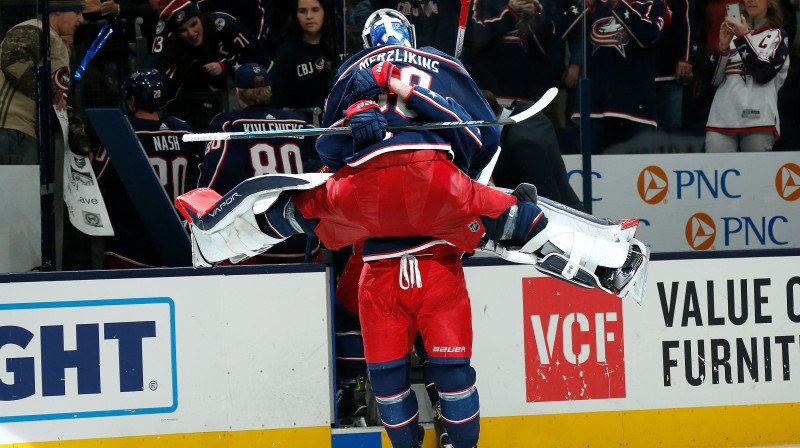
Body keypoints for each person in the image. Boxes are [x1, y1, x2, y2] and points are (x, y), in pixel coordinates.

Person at [177, 9, 648, 448]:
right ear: (410, 37)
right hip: (436, 199)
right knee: (507, 220)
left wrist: (361, 125)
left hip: (367, 210)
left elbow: (329, 154)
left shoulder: (349, 69)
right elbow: (483, 144)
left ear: (368, 41)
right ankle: (610, 258)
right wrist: (465, 183)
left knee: (303, 214)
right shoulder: (443, 63)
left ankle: (215, 237)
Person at [198, 62, 321, 263]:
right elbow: (321, 170)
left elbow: (216, 177)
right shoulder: (300, 123)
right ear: (269, 89)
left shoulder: (229, 124)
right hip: (300, 236)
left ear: (238, 92)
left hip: (252, 239)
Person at [93, 68, 199, 268]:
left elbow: (95, 178)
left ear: (133, 99)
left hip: (130, 243)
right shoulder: (182, 130)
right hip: (175, 237)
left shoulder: (123, 132)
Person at [562, 0, 666, 154]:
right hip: (594, 107)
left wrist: (617, 3)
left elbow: (648, 36)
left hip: (637, 108)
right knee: (594, 174)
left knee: (639, 172)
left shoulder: (652, 4)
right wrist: (587, 5)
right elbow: (562, 32)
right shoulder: (590, 3)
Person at [152, 0, 270, 129]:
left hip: (255, 86)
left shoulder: (224, 25)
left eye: (194, 24)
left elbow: (261, 59)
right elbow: (170, 79)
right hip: (209, 95)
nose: (192, 33)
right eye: (183, 30)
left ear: (201, 19)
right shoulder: (178, 47)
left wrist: (225, 66)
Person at [0, 0, 92, 165]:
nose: (81, 20)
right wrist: (51, 92)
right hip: (11, 129)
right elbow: (12, 61)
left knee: (25, 190)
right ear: (58, 10)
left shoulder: (53, 39)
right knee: (17, 190)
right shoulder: (34, 28)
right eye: (77, 12)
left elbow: (58, 102)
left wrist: (78, 138)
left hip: (24, 133)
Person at [704, 0, 789, 152]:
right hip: (721, 118)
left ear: (770, 3)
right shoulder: (730, 36)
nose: (750, 0)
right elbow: (712, 81)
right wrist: (722, 48)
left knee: (756, 174)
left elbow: (763, 73)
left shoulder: (778, 35)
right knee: (716, 171)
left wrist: (742, 37)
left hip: (759, 118)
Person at [481, 90, 585, 212]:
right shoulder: (526, 112)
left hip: (560, 222)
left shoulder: (521, 143)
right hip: (567, 212)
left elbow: (545, 202)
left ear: (484, 112)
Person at [270, 0, 336, 111]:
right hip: (300, 123)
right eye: (302, 11)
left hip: (338, 122)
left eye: (315, 10)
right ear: (295, 15)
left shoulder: (339, 45)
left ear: (325, 11)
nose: (309, 16)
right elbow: (277, 98)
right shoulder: (287, 51)